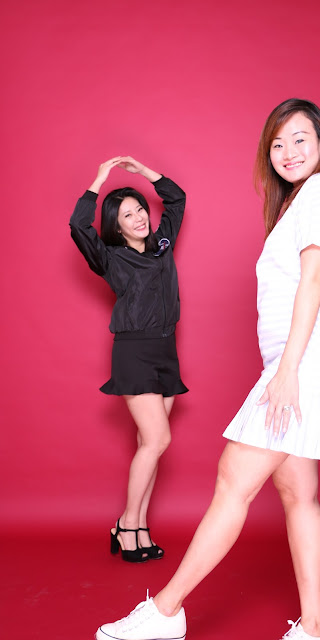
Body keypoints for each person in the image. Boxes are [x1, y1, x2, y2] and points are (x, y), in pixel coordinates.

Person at [95, 98, 320, 639]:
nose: (288, 152)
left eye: (300, 139)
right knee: (297, 493)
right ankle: (315, 628)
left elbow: (315, 278)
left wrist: (287, 371)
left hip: (304, 362)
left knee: (233, 479)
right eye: (277, 144)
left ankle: (166, 612)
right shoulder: (302, 201)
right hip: (304, 359)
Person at [70, 156, 188, 563]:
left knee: (147, 444)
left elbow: (176, 200)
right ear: (116, 226)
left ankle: (137, 526)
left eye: (140, 210)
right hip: (133, 351)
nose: (138, 218)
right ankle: (126, 524)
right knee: (158, 440)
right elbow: (78, 226)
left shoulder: (162, 243)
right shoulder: (109, 256)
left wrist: (144, 173)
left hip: (167, 350)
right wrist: (100, 179)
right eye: (127, 215)